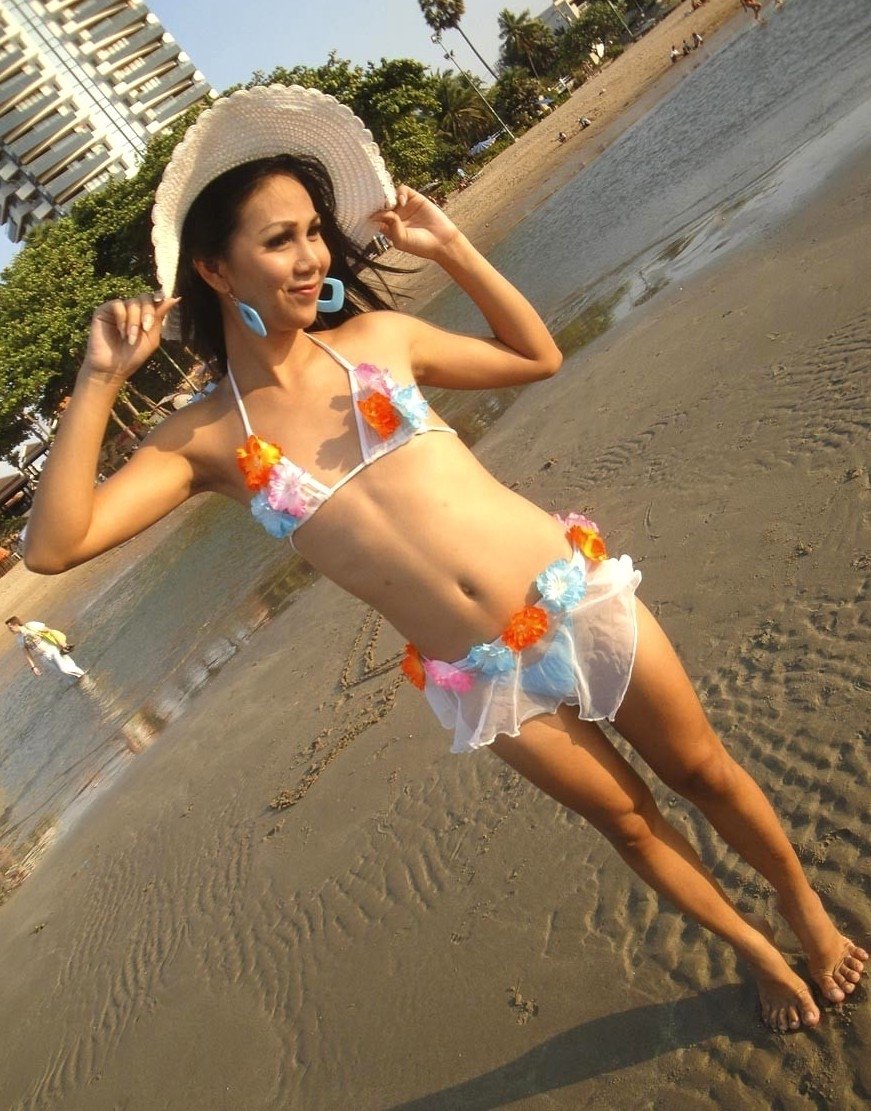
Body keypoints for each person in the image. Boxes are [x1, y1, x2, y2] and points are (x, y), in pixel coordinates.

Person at [23, 85, 865, 1033]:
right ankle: (757, 950)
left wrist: (452, 248)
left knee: (701, 770)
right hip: (482, 675)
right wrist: (99, 378)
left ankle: (804, 909)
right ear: (216, 269)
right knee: (629, 822)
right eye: (279, 240)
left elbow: (535, 355)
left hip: (572, 596)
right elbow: (54, 545)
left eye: (313, 233)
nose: (310, 257)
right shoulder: (207, 439)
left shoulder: (375, 341)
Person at [5, 616, 85, 681]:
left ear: (16, 624)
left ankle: (83, 676)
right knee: (66, 674)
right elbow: (27, 654)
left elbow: (49, 631)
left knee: (64, 669)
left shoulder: (30, 625)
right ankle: (83, 678)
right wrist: (33, 667)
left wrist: (62, 643)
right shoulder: (19, 639)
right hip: (44, 657)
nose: (10, 630)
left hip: (52, 650)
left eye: (10, 627)